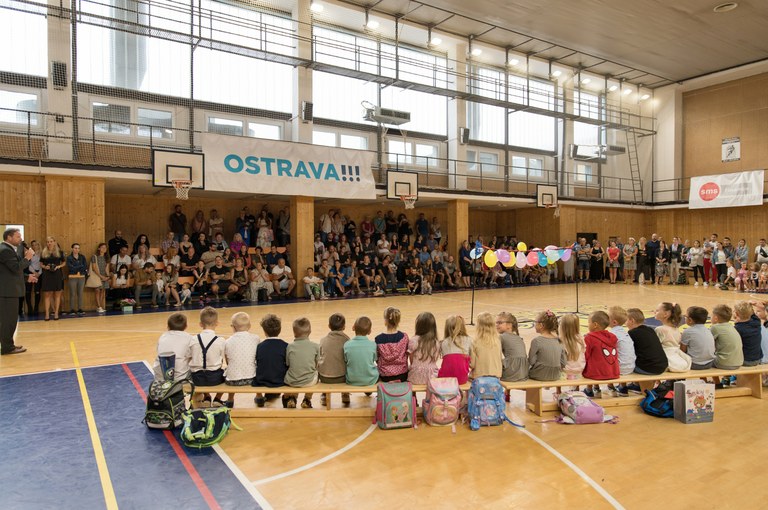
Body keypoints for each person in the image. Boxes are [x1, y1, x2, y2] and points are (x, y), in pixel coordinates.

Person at [0, 228, 34, 355]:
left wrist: (27, 277)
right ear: (9, 237)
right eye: (18, 236)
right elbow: (16, 268)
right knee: (8, 321)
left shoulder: (8, 249)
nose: (21, 239)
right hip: (7, 291)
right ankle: (7, 347)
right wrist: (27, 258)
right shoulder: (5, 250)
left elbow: (11, 271)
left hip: (9, 290)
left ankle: (8, 344)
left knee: (9, 320)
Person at [189, 307, 226, 406]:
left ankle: (207, 396)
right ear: (217, 323)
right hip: (215, 378)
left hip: (197, 378)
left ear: (200, 324)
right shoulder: (220, 340)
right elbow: (224, 358)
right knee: (227, 373)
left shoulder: (193, 339)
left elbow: (189, 357)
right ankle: (217, 398)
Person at [283, 317, 320, 409]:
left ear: (294, 332)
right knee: (316, 373)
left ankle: (292, 397)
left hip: (292, 381)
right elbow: (317, 364)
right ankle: (307, 399)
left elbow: (287, 363)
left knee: (294, 372)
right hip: (309, 382)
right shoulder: (315, 346)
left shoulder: (290, 346)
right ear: (310, 331)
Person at [253, 314, 289, 407]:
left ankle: (259, 396)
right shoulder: (285, 345)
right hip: (280, 380)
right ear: (280, 329)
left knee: (256, 369)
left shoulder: (260, 346)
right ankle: (287, 397)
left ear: (264, 331)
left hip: (262, 379)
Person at [582, 311, 619, 396]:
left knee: (587, 362)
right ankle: (604, 387)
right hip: (613, 372)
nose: (588, 324)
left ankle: (589, 389)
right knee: (599, 358)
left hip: (596, 374)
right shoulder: (612, 337)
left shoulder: (589, 338)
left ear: (595, 325)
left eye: (589, 322)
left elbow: (585, 356)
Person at [318, 313, 350, 406]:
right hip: (342, 377)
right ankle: (345, 394)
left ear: (329, 326)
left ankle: (324, 395)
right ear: (344, 327)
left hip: (325, 378)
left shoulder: (323, 340)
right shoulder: (347, 340)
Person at [625, 308, 668, 377]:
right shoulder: (650, 330)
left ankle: (626, 384)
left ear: (632, 321)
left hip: (648, 368)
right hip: (662, 366)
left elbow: (628, 353)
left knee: (624, 366)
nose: (625, 323)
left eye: (626, 320)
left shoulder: (632, 333)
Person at [152, 313, 191, 381]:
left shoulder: (163, 337)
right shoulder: (189, 338)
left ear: (168, 327)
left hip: (160, 376)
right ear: (186, 326)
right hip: (179, 378)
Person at [528, 310, 565, 381]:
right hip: (556, 375)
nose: (534, 324)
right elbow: (564, 363)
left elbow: (531, 362)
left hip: (539, 375)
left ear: (541, 325)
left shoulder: (536, 341)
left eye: (535, 322)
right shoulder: (559, 340)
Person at [654, 302, 691, 372]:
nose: (655, 312)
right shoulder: (676, 329)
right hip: (676, 356)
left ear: (665, 314)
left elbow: (655, 347)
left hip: (667, 357)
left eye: (657, 310)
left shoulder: (660, 329)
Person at [375, 307, 409, 382]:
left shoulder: (378, 339)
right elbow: (407, 354)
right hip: (402, 375)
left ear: (385, 320)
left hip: (385, 376)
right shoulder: (404, 337)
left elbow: (377, 358)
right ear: (398, 321)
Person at [709, 304, 743, 379]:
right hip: (738, 362)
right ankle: (720, 381)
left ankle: (711, 383)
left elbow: (707, 343)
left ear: (715, 318)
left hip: (724, 363)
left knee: (703, 361)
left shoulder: (715, 327)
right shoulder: (731, 326)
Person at [606, 306, 635, 396]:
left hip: (620, 369)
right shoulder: (624, 333)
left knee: (604, 356)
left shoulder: (612, 334)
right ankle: (623, 387)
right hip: (630, 367)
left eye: (607, 317)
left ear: (614, 322)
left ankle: (609, 386)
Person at [406, 312, 440, 384]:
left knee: (408, 369)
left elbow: (411, 359)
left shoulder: (414, 340)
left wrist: (415, 367)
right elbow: (435, 359)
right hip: (431, 377)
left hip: (415, 377)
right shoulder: (436, 342)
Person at [344, 316, 379, 386]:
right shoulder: (373, 345)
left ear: (353, 328)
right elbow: (374, 360)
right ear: (369, 332)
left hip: (351, 380)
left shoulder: (347, 345)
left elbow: (346, 360)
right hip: (371, 380)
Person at [438, 315, 472, 384]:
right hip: (462, 379)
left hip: (445, 378)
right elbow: (471, 361)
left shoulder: (443, 342)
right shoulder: (469, 340)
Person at [469, 312, 503, 379]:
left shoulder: (474, 341)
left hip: (479, 377)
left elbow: (472, 364)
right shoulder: (497, 340)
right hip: (496, 376)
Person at [497, 312, 528, 382]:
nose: (496, 325)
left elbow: (495, 355)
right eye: (496, 323)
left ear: (509, 325)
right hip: (523, 373)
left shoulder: (501, 337)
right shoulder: (519, 337)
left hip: (511, 372)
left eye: (499, 323)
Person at [40, 236, 65, 321]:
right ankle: (47, 314)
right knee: (47, 294)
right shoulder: (43, 252)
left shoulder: (60, 252)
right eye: (48, 242)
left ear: (54, 242)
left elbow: (64, 262)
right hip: (47, 274)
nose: (49, 243)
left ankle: (56, 313)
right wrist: (45, 267)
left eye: (51, 241)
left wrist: (58, 266)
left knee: (57, 294)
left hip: (57, 274)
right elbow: (41, 263)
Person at [733, 301, 763, 366]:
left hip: (745, 360)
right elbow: (752, 314)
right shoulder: (756, 322)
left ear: (736, 314)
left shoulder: (737, 329)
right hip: (758, 358)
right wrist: (750, 306)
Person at [559, 313, 585, 380]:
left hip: (565, 371)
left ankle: (559, 388)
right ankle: (575, 385)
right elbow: (584, 352)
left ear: (562, 327)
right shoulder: (581, 339)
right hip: (580, 369)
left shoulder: (561, 341)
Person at [66, 243, 88, 316]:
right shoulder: (69, 258)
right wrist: (80, 266)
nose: (77, 250)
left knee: (80, 293)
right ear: (72, 249)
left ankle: (80, 309)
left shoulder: (82, 257)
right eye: (75, 248)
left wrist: (77, 267)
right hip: (72, 277)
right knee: (72, 293)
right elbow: (70, 268)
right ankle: (72, 309)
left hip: (81, 277)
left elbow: (85, 266)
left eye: (78, 248)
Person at [90, 243, 110, 313]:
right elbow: (94, 268)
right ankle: (98, 307)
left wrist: (107, 276)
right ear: (99, 248)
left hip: (104, 276)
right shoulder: (94, 256)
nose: (104, 249)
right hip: (97, 276)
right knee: (97, 291)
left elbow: (107, 268)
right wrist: (101, 276)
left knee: (103, 291)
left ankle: (100, 306)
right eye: (102, 247)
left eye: (105, 247)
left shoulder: (106, 257)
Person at [24, 239, 42, 317]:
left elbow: (42, 264)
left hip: (39, 274)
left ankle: (36, 308)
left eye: (36, 245)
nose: (34, 246)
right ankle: (29, 309)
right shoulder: (29, 253)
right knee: (28, 291)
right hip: (30, 273)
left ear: (38, 245)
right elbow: (28, 264)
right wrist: (34, 272)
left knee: (37, 291)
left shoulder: (41, 254)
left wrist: (39, 273)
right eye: (33, 245)